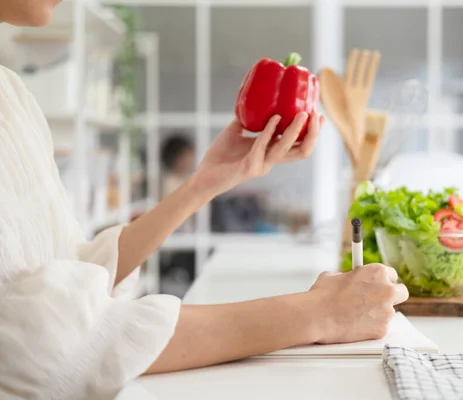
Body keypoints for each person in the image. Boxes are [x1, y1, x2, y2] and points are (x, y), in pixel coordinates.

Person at [0, 2, 409, 399]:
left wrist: (204, 183)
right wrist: (317, 313)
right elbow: (38, 341)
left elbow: (73, 270)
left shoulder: (13, 95)